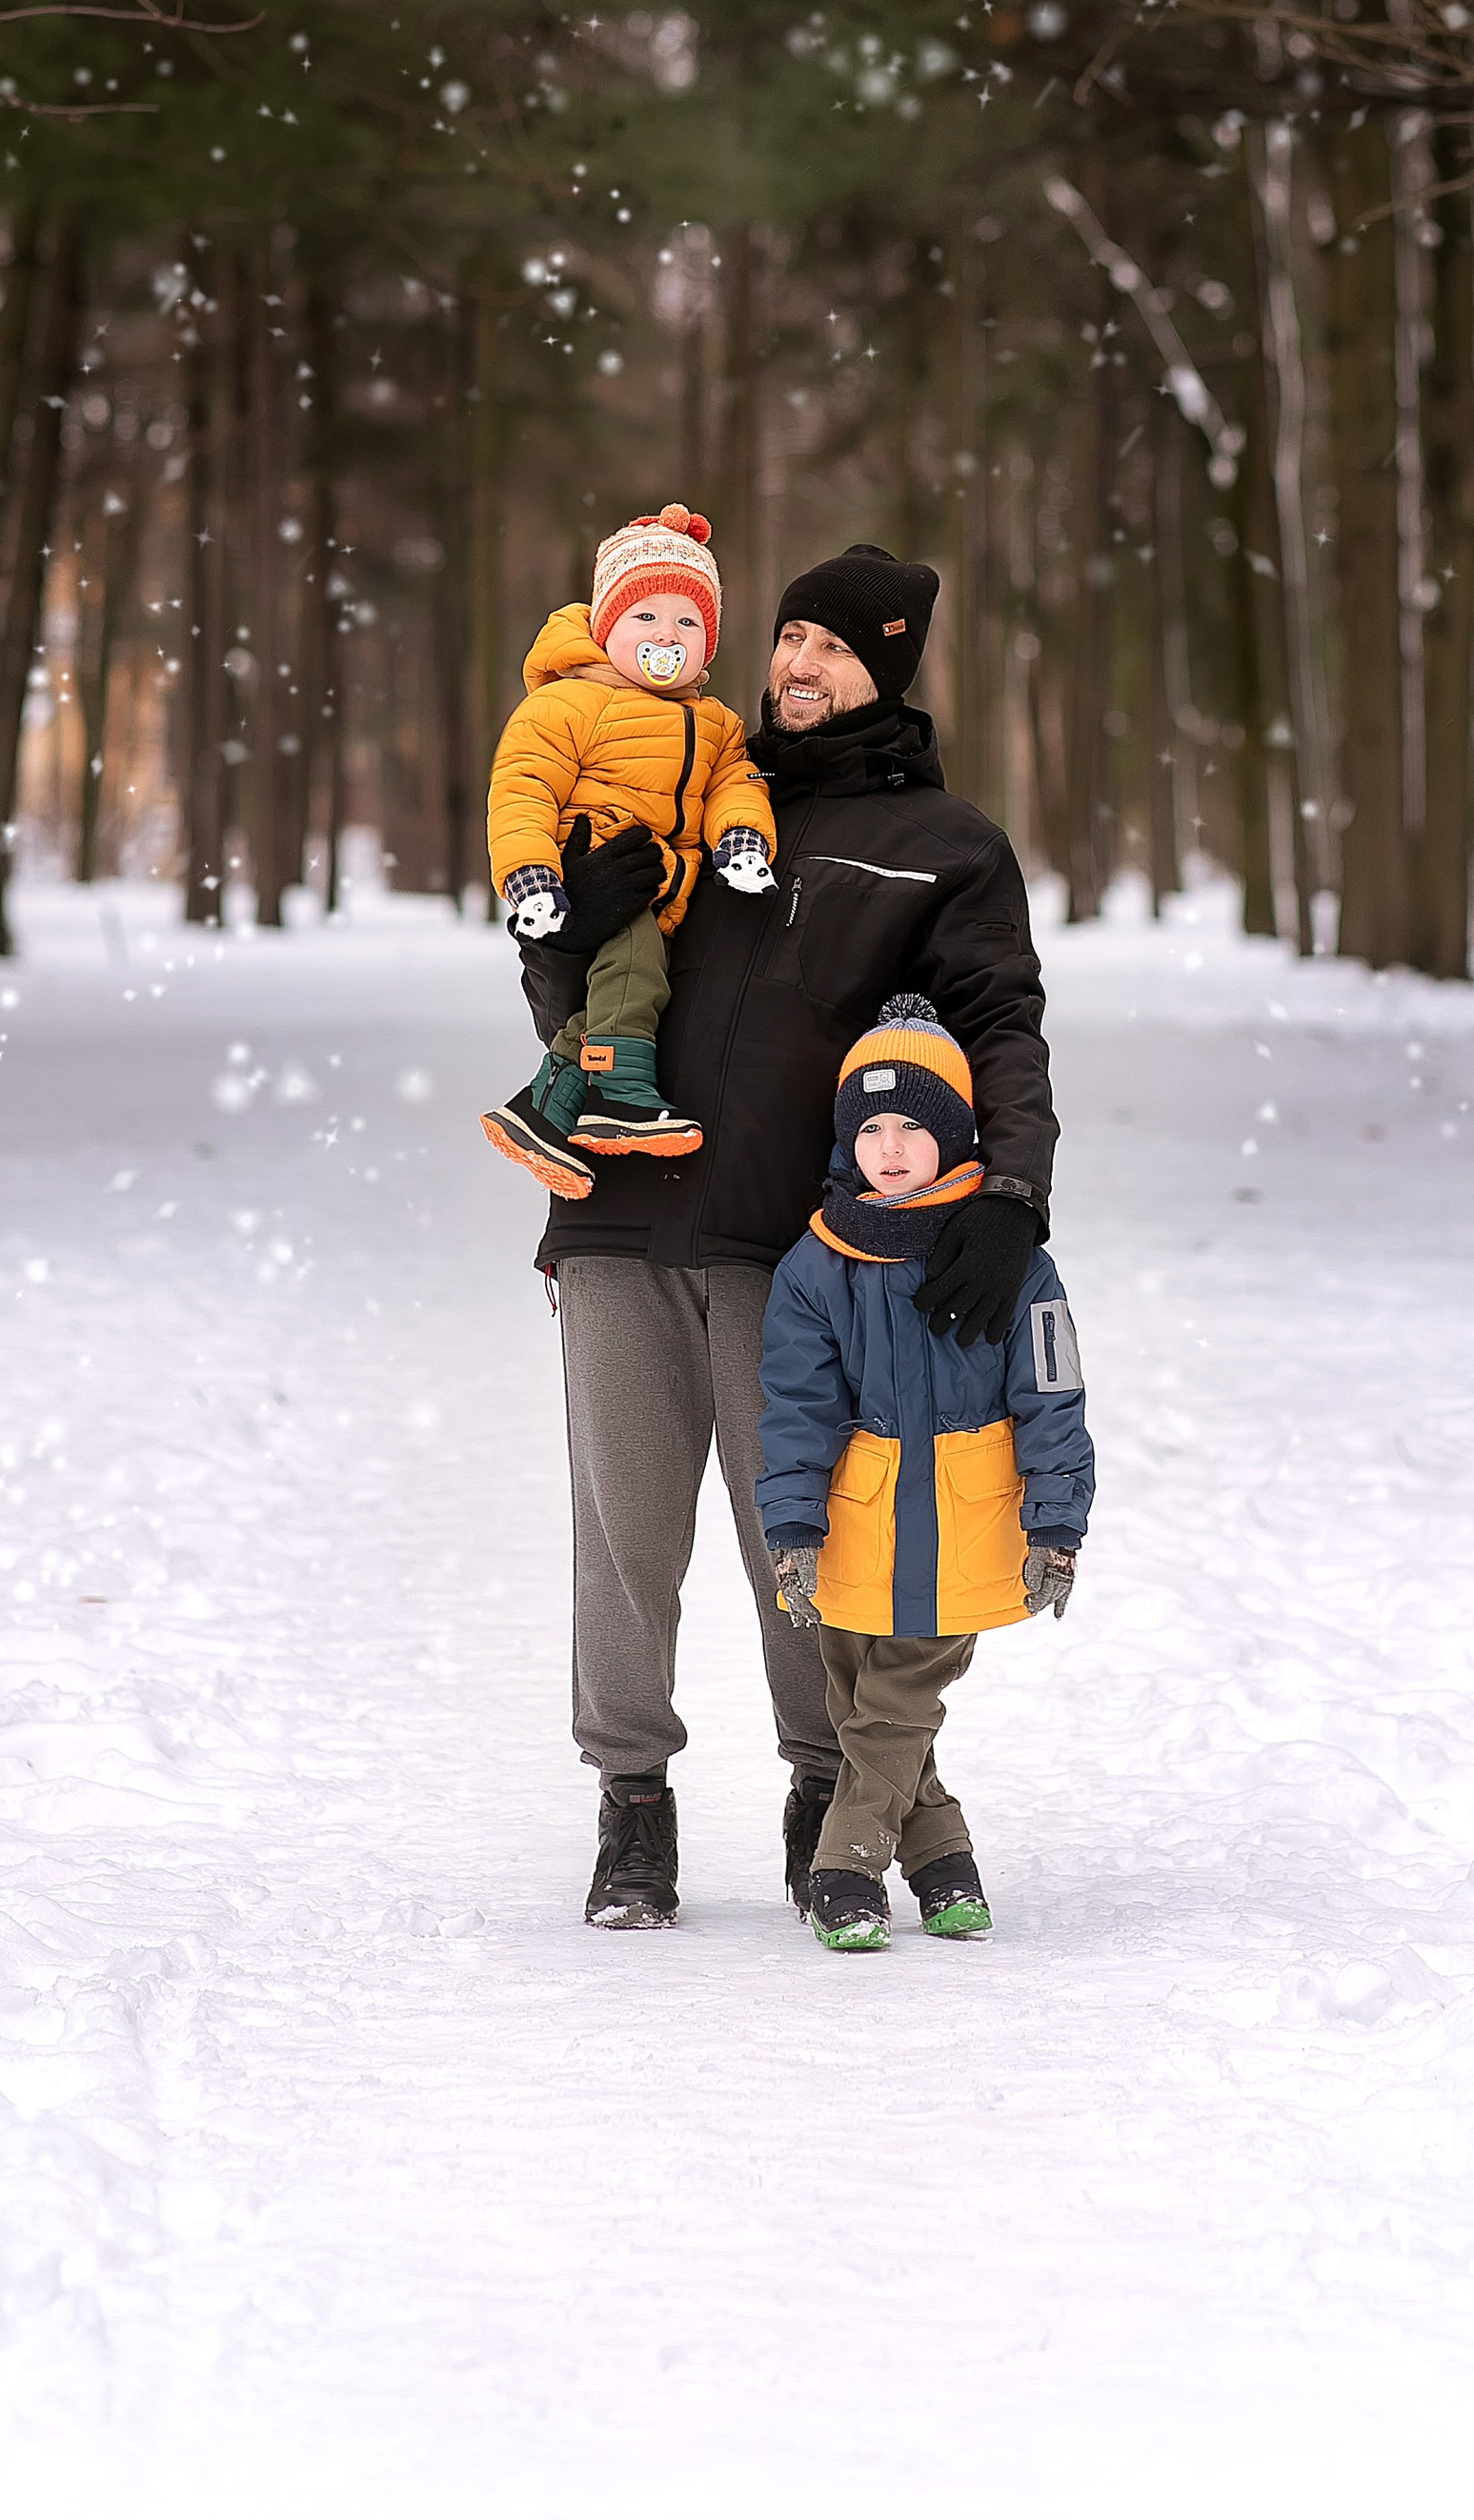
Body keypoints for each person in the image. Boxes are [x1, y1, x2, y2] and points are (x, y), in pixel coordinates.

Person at [513, 539, 1059, 1931]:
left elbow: (997, 1027)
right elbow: (580, 1006)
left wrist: (1010, 1196)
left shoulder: (945, 849)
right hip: (618, 1211)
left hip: (803, 1256)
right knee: (623, 1541)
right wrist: (568, 929)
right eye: (787, 640)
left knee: (801, 1543)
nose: (795, 666)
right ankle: (632, 1805)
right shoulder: (695, 783)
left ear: (885, 668)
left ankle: (835, 1796)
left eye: (831, 648)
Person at [756, 995, 1094, 1951]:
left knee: (897, 1702)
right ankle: (945, 1864)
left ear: (952, 1134)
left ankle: (847, 1866)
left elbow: (1053, 1394)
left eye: (914, 1126)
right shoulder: (814, 1268)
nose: (892, 1148)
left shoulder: (1014, 1265)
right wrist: (793, 1532)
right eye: (871, 1128)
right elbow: (796, 1410)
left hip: (966, 1523)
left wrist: (1056, 1525)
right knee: (867, 1706)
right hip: (855, 1526)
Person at [481, 504, 777, 1187]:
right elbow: (522, 789)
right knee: (635, 973)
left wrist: (740, 839)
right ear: (606, 627)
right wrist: (533, 877)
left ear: (709, 643)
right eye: (645, 617)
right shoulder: (565, 706)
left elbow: (738, 783)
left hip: (665, 880)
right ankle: (620, 1092)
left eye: (688, 621)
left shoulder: (718, 724)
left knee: (620, 989)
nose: (665, 634)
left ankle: (547, 1108)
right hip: (592, 869)